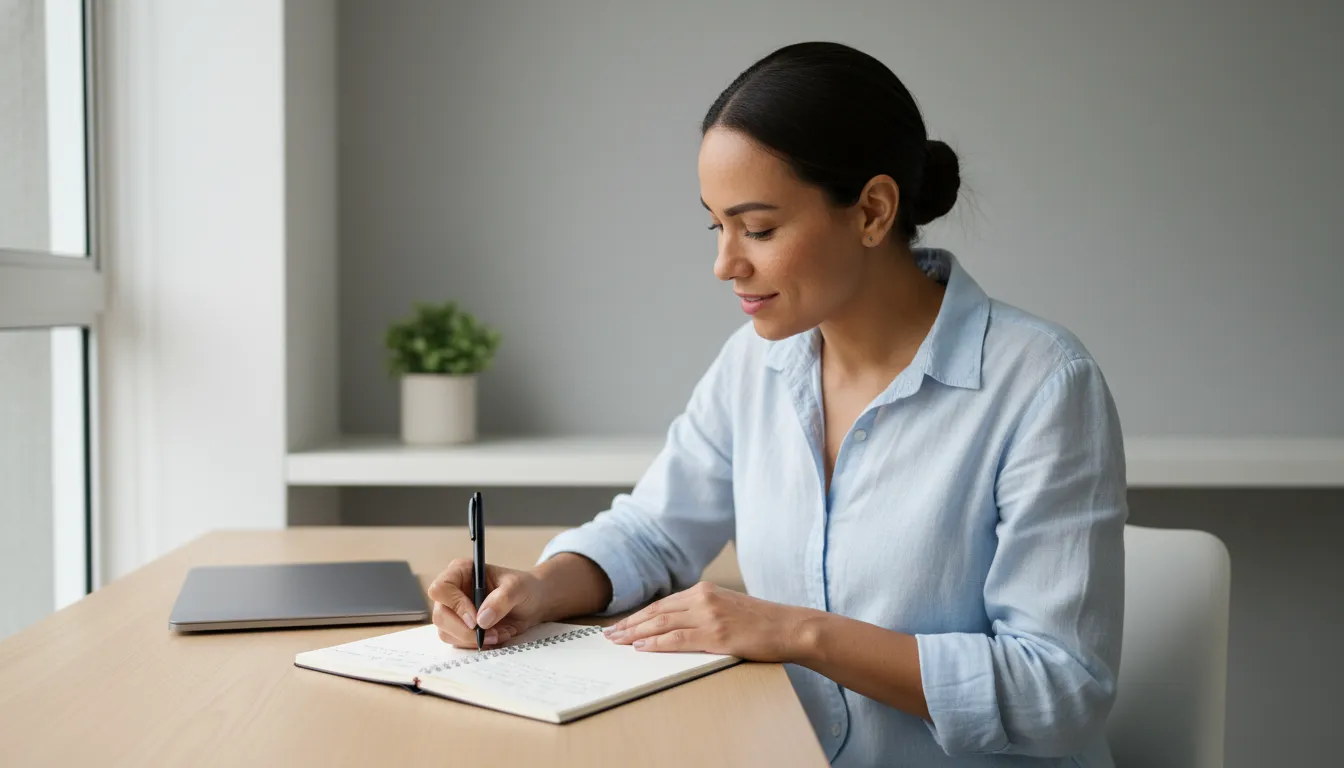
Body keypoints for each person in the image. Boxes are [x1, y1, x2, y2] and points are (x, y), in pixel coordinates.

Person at [428, 41, 1127, 767]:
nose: (725, 263)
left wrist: (797, 633)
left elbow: (1060, 690)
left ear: (873, 211)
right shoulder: (757, 361)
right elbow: (653, 533)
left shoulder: (1043, 385)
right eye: (716, 225)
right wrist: (539, 590)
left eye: (758, 228)